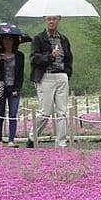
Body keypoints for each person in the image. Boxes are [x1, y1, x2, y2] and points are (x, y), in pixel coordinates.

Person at [27, 15, 72, 148]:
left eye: (54, 19)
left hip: (61, 76)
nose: (51, 21)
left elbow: (69, 58)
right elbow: (34, 59)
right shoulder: (38, 38)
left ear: (59, 20)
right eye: (49, 19)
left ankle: (61, 143)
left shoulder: (63, 39)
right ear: (45, 20)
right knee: (45, 112)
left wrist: (67, 73)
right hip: (46, 77)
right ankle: (32, 136)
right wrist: (50, 56)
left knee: (62, 111)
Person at [0, 34, 25, 146]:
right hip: (0, 87)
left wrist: (17, 89)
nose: (7, 42)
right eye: (5, 40)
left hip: (13, 88)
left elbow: (20, 74)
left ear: (14, 41)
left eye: (10, 39)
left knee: (13, 114)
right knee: (0, 114)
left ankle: (11, 140)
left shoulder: (19, 55)